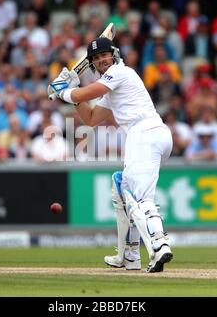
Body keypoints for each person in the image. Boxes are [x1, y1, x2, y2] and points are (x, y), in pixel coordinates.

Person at [50, 37, 173, 273]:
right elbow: (91, 118)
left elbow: (83, 93)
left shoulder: (120, 72)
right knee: (121, 188)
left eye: (104, 55)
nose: (101, 60)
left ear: (113, 54)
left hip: (144, 134)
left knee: (139, 197)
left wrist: (64, 91)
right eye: (96, 58)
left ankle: (159, 244)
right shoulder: (112, 88)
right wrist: (72, 93)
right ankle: (129, 255)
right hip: (153, 136)